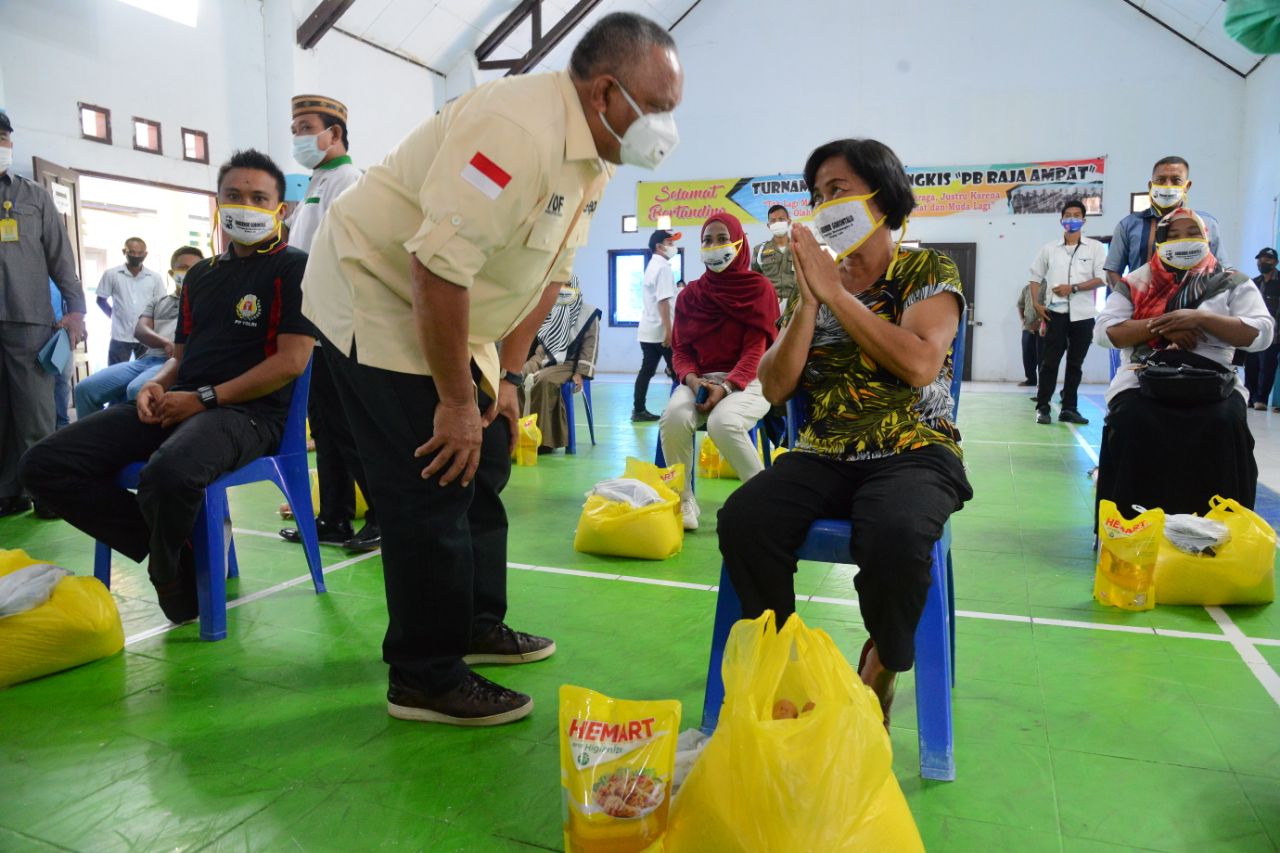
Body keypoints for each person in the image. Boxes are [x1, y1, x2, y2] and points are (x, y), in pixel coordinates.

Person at [300, 11, 683, 726]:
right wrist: (452, 401)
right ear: (605, 92)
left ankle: (474, 622)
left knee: (493, 450)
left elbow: (548, 278)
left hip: (456, 313)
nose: (666, 126)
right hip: (376, 294)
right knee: (433, 473)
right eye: (657, 108)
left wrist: (505, 380)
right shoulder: (517, 131)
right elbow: (435, 266)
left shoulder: (595, 156)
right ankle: (423, 673)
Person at [718, 138, 972, 728]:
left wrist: (837, 295)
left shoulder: (927, 270)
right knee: (745, 519)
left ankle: (881, 665)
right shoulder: (814, 284)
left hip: (914, 448)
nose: (823, 204)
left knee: (896, 532)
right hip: (825, 450)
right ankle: (781, 664)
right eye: (817, 195)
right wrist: (809, 303)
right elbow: (776, 387)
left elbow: (917, 365)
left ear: (881, 195)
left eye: (837, 190)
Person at [20, 149, 316, 624]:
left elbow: (291, 362)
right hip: (183, 402)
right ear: (217, 203)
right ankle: (176, 550)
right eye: (234, 195)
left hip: (249, 414)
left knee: (169, 474)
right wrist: (153, 385)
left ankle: (167, 571)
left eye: (259, 198)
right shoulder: (200, 275)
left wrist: (204, 399)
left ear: (280, 210)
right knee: (43, 466)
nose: (246, 205)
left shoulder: (293, 268)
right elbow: (181, 358)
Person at [1094, 209, 1272, 517]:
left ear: (1206, 238)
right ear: (1159, 241)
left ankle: (1221, 525)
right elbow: (1105, 331)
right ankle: (1130, 523)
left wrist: (1201, 318)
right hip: (1144, 377)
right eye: (1172, 235)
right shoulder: (1135, 282)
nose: (1181, 240)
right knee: (1131, 419)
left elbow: (1261, 332)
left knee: (1225, 421)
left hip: (1213, 380)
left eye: (1191, 232)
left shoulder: (1232, 282)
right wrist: (1163, 324)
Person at [278, 93, 380, 552]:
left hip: (338, 327)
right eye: (295, 128)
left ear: (333, 133)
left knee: (351, 429)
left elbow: (339, 253)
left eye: (305, 127)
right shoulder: (315, 181)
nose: (298, 136)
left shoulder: (348, 181)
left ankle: (381, 516)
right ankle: (333, 517)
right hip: (311, 329)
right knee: (325, 428)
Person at [661, 212, 779, 531]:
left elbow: (757, 349)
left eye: (722, 239)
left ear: (739, 243)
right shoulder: (690, 296)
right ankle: (683, 499)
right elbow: (681, 349)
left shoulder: (759, 290)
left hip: (750, 379)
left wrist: (727, 387)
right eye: (707, 240)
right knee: (673, 418)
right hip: (699, 379)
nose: (714, 247)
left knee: (722, 423)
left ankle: (763, 501)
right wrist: (691, 379)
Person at [0, 109, 87, 519]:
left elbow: (61, 258)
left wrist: (75, 312)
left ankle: (44, 492)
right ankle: (7, 491)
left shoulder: (32, 195)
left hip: (28, 319)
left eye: (2, 136)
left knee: (36, 414)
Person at [73, 246, 202, 420]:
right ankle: (91, 442)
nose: (190, 273)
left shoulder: (205, 302)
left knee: (137, 390)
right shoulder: (158, 302)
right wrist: (165, 342)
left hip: (174, 362)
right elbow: (140, 330)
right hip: (146, 360)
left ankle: (131, 444)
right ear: (172, 273)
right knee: (84, 390)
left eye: (195, 268)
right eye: (184, 268)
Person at [1028, 199, 1107, 425]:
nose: (1072, 219)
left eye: (1076, 215)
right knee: (1049, 362)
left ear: (1083, 220)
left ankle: (1069, 408)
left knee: (1075, 364)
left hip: (1083, 315)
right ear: (1061, 220)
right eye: (1068, 215)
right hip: (1056, 313)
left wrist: (1073, 288)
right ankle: (1043, 407)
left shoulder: (1095, 248)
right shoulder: (1049, 249)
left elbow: (1102, 279)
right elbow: (1035, 276)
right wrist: (1036, 303)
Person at [1105, 156, 1222, 290]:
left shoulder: (1207, 223)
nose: (1167, 185)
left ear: (1187, 186)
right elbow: (1112, 271)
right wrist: (1128, 301)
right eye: (1160, 180)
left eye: (1176, 180)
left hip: (1192, 308)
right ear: (1151, 185)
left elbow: (1222, 270)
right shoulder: (1127, 225)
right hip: (1141, 308)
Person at [518, 277, 600, 453]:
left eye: (568, 285)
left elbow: (590, 347)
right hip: (542, 358)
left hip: (569, 364)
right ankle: (517, 437)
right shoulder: (547, 309)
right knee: (517, 376)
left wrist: (581, 374)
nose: (564, 289)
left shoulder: (589, 313)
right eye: (561, 285)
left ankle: (544, 441)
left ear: (576, 287)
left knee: (543, 381)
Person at [633, 228, 679, 421]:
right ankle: (680, 412)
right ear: (659, 247)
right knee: (678, 371)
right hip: (661, 332)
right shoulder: (663, 268)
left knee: (647, 370)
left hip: (648, 331)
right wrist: (669, 332)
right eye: (670, 243)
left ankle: (638, 409)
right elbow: (663, 301)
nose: (673, 247)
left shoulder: (653, 265)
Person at [96, 237, 166, 365]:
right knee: (114, 376)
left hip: (147, 336)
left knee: (146, 373)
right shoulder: (112, 274)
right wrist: (113, 315)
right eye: (132, 252)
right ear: (124, 252)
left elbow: (161, 305)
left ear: (145, 254)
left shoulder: (154, 278)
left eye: (140, 253)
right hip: (120, 336)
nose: (136, 256)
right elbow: (101, 300)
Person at [1244, 247, 1280, 410]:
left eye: (1267, 259)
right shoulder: (1254, 282)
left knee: (1267, 366)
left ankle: (1261, 400)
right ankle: (1250, 398)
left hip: (1275, 333)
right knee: (1251, 364)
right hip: (1253, 332)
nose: (1263, 262)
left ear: (1276, 262)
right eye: (1260, 259)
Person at [751, 204, 797, 307]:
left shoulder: (800, 248)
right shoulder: (759, 250)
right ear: (769, 225)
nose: (777, 223)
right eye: (773, 221)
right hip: (769, 305)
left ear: (788, 222)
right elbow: (755, 281)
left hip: (797, 305)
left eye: (781, 219)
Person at [1015, 281, 1045, 387]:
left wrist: (1038, 322)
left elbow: (1048, 307)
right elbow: (1020, 304)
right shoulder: (1027, 288)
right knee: (1027, 355)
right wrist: (1022, 319)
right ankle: (1031, 379)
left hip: (1042, 328)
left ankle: (1043, 382)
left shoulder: (1048, 287)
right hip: (1027, 327)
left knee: (1042, 356)